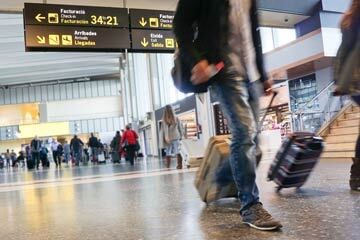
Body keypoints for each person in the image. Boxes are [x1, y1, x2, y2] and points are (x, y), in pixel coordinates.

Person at [174, 0, 281, 230]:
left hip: (249, 73)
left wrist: (262, 74)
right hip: (222, 70)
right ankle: (250, 206)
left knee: (254, 141)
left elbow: (253, 35)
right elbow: (180, 25)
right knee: (244, 133)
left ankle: (221, 178)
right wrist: (197, 59)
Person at [333, 0, 360, 190]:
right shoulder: (355, 19)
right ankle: (357, 174)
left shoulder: (350, 18)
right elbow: (348, 50)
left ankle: (357, 174)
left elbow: (344, 50)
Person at [160, 105, 183, 169]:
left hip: (168, 138)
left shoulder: (164, 120)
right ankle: (179, 165)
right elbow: (180, 128)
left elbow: (163, 131)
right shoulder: (176, 118)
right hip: (176, 136)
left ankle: (168, 165)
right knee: (178, 150)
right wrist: (181, 135)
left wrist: (164, 138)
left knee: (168, 151)